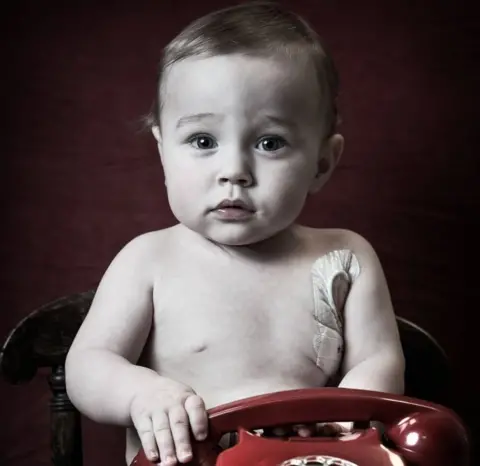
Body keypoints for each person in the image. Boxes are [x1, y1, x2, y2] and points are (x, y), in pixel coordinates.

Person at [65, 2, 405, 465]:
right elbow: (87, 365)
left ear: (322, 164)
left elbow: (379, 360)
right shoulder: (148, 259)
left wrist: (350, 414)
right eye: (203, 141)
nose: (234, 171)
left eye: (270, 143)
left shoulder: (346, 256)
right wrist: (141, 393)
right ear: (164, 153)